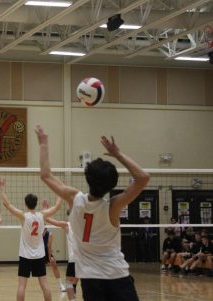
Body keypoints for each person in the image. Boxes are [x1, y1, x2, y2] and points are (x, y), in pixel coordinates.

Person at [36, 125, 150, 301]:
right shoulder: (113, 206)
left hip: (90, 279)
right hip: (116, 275)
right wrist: (118, 153)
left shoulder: (74, 198)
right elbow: (143, 178)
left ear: (87, 177)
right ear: (111, 185)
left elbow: (45, 175)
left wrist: (43, 143)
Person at [0, 177, 53, 301]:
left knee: (22, 286)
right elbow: (54, 209)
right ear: (36, 203)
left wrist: (2, 187)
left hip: (25, 256)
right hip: (39, 255)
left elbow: (7, 204)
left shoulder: (23, 216)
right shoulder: (42, 215)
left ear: (26, 204)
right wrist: (56, 199)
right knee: (45, 285)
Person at [41, 198, 66, 291]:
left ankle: (60, 285)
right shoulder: (37, 234)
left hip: (45, 252)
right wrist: (45, 207)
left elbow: (48, 247)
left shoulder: (49, 234)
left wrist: (49, 257)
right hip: (35, 252)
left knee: (54, 264)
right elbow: (43, 216)